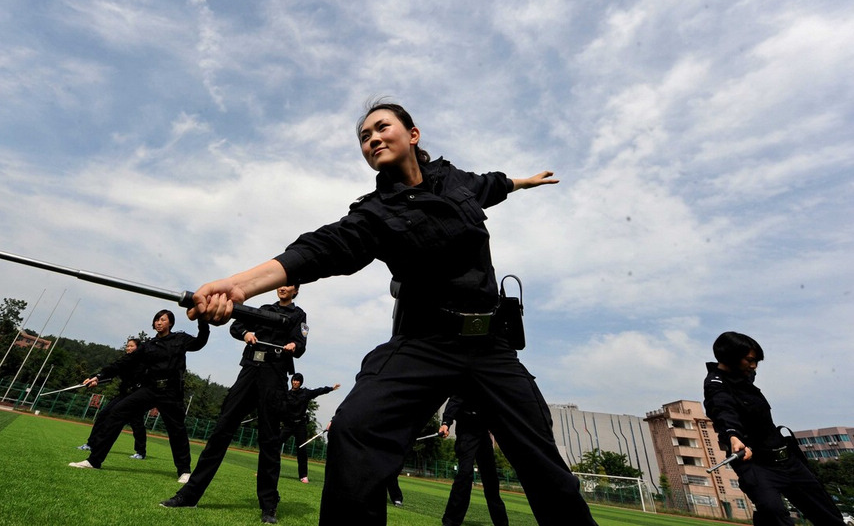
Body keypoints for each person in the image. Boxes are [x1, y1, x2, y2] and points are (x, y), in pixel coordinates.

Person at [184, 101, 599, 525]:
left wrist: (523, 182)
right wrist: (239, 287)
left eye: (381, 128)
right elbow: (320, 249)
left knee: (543, 462)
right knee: (355, 429)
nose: (373, 140)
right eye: (365, 137)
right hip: (424, 343)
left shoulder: (454, 180)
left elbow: (491, 184)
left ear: (413, 134)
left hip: (492, 346)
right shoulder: (376, 212)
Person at [161, 284, 308, 524]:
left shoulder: (297, 315)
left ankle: (269, 505)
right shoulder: (262, 309)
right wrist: (246, 335)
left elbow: (300, 344)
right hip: (250, 370)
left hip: (274, 375)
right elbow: (237, 325)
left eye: (289, 284)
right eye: (282, 283)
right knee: (221, 431)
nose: (283, 287)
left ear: (295, 290)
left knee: (269, 440)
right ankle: (189, 495)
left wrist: (293, 346)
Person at [704, 332, 844, 526]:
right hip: (757, 464)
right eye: (749, 360)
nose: (753, 366)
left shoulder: (745, 376)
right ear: (730, 356)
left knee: (829, 516)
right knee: (772, 512)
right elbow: (722, 410)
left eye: (756, 362)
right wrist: (733, 436)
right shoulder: (716, 385)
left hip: (789, 460)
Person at [68, 309, 210, 482]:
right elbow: (124, 362)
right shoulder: (147, 346)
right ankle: (94, 460)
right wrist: (99, 376)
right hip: (150, 389)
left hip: (171, 391)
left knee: (176, 429)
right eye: (156, 319)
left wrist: (203, 321)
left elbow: (200, 342)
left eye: (163, 319)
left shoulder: (180, 339)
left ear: (170, 323)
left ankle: (184, 471)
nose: (158, 322)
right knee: (117, 412)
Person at [439, 395, 509, 526]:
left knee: (491, 479)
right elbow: (455, 399)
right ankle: (451, 521)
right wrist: (446, 423)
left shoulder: (489, 384)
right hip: (466, 432)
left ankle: (502, 523)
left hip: (483, 433)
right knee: (465, 474)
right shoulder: (466, 380)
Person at [77, 337, 148, 459]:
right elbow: (112, 372)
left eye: (132, 346)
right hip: (124, 394)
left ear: (138, 348)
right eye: (127, 346)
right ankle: (91, 444)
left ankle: (140, 452)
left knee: (137, 424)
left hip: (136, 397)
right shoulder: (125, 360)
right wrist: (96, 380)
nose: (129, 348)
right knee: (103, 414)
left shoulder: (142, 362)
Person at [279, 372, 340, 483]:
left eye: (297, 380)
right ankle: (265, 470)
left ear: (300, 382)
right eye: (294, 380)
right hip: (289, 424)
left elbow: (318, 391)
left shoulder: (306, 393)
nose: (295, 382)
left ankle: (303, 475)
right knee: (275, 445)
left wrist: (331, 388)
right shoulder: (286, 394)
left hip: (300, 425)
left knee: (302, 450)